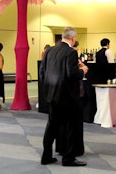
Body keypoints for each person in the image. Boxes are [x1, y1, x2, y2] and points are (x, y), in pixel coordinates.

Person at [41, 27, 88, 167]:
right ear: (73, 38)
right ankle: (68, 159)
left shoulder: (50, 51)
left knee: (51, 127)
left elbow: (42, 72)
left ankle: (46, 156)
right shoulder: (71, 52)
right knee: (70, 128)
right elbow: (71, 73)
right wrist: (83, 71)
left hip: (52, 95)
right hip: (67, 97)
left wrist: (48, 90)